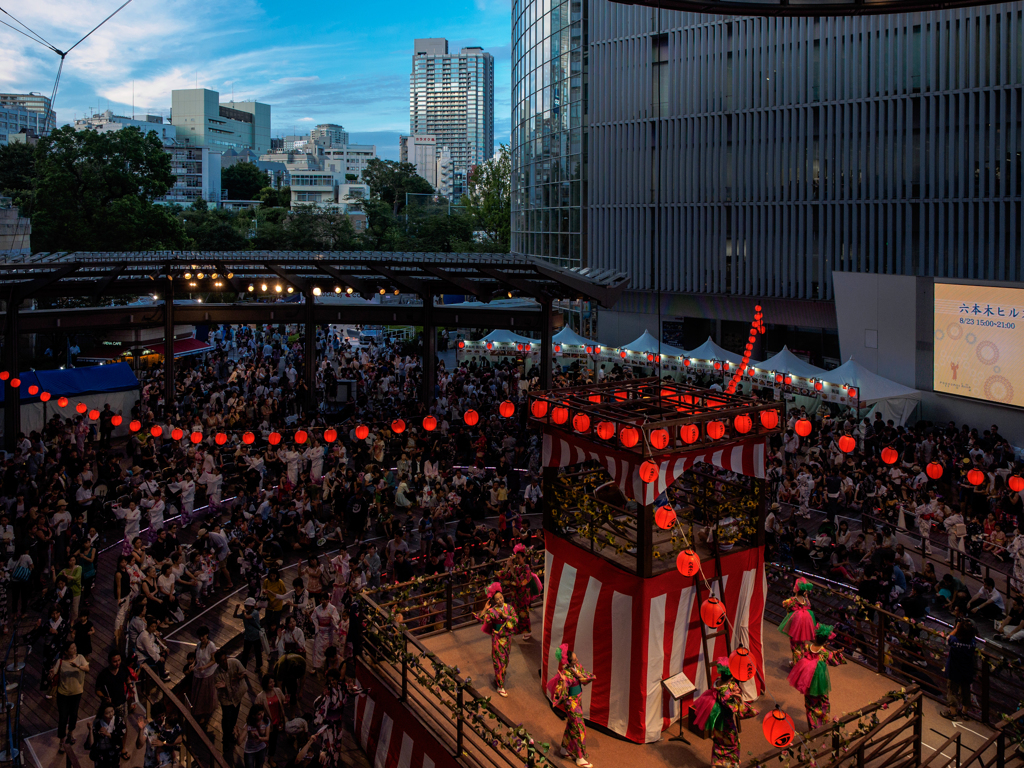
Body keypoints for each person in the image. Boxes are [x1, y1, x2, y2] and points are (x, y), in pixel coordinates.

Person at [692, 658, 758, 767]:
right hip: (727, 723)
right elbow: (740, 711)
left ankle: (715, 762)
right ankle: (731, 764)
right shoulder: (728, 693)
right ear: (732, 675)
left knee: (718, 741)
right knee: (733, 744)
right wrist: (740, 699)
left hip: (718, 720)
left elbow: (730, 688)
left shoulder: (717, 682)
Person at [787, 624, 847, 729]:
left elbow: (804, 653)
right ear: (825, 641)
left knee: (809, 704)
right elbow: (834, 660)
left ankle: (812, 726)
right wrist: (837, 653)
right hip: (819, 683)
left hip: (807, 681)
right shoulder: (824, 653)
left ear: (815, 637)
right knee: (823, 702)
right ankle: (822, 725)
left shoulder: (806, 648)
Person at [546, 643, 595, 768]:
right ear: (569, 661)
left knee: (571, 726)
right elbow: (560, 694)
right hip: (571, 704)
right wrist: (562, 682)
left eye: (576, 657)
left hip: (578, 701)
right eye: (574, 659)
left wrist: (581, 676)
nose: (577, 659)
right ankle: (580, 758)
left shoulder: (577, 667)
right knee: (579, 728)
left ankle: (564, 749)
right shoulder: (566, 674)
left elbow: (586, 676)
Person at [474, 582, 517, 697]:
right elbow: (481, 619)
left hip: (507, 638)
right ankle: (500, 686)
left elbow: (515, 620)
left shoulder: (510, 608)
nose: (500, 600)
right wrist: (485, 609)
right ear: (494, 601)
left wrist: (506, 617)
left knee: (505, 661)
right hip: (497, 639)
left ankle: (499, 677)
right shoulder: (492, 611)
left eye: (501, 598)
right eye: (497, 599)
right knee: (499, 662)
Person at [53, 641, 89, 753]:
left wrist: (78, 666)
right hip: (63, 694)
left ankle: (70, 734)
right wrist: (50, 675)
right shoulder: (60, 662)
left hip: (77, 692)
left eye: (75, 647)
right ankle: (61, 741)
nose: (75, 649)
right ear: (66, 651)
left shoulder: (80, 658)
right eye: (72, 648)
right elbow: (53, 673)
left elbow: (87, 669)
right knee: (63, 717)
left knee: (73, 714)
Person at [215, 648, 254, 752]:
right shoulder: (217, 673)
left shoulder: (234, 662)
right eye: (221, 661)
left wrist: (239, 677)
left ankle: (231, 733)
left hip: (237, 695)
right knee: (226, 718)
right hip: (226, 699)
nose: (224, 662)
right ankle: (226, 738)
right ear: (218, 662)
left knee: (234, 717)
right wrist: (226, 686)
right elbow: (220, 687)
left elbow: (244, 673)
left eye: (224, 659)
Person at [942, 619, 976, 720]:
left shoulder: (954, 641)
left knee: (952, 691)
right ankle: (965, 712)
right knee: (966, 691)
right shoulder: (973, 643)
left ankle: (952, 713)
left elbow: (948, 637)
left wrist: (956, 628)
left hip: (954, 671)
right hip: (967, 671)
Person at [498, 544, 534, 639]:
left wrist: (512, 570)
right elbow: (504, 577)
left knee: (523, 615)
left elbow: (519, 583)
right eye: (516, 558)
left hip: (523, 596)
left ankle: (528, 631)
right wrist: (507, 566)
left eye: (519, 558)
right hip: (515, 595)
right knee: (513, 614)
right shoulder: (516, 567)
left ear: (523, 558)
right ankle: (509, 631)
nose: (517, 560)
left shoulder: (526, 568)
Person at [778, 578, 817, 664]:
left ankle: (797, 663)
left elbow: (784, 604)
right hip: (804, 623)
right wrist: (806, 595)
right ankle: (797, 660)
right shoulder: (806, 600)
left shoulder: (792, 600)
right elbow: (809, 605)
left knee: (794, 644)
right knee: (801, 643)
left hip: (796, 624)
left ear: (796, 589)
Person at [191, 626, 219, 727]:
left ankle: (204, 714)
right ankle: (198, 712)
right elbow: (197, 658)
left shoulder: (211, 646)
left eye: (203, 636)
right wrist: (193, 664)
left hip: (207, 673)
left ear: (207, 635)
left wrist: (204, 667)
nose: (201, 638)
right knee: (198, 694)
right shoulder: (198, 644)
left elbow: (214, 660)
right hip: (199, 673)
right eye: (200, 636)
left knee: (205, 696)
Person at [88, 703, 128, 768]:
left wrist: (108, 734)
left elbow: (121, 733)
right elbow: (91, 744)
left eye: (112, 711)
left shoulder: (118, 720)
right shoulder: (97, 723)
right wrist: (90, 730)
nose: (111, 714)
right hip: (101, 753)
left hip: (114, 752)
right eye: (107, 713)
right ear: (102, 714)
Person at [95, 650, 131, 723]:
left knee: (123, 724)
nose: (118, 663)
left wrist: (130, 686)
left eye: (119, 660)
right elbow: (97, 690)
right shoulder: (103, 674)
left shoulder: (123, 668)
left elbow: (127, 679)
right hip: (109, 705)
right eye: (115, 661)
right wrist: (104, 697)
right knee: (106, 724)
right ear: (109, 661)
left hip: (121, 703)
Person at [310, 591, 340, 673]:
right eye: (321, 600)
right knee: (317, 649)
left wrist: (332, 618)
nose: (323, 601)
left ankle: (327, 667)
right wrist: (315, 624)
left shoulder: (333, 608)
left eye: (324, 600)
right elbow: (314, 618)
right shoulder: (317, 609)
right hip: (320, 631)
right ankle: (316, 667)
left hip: (328, 632)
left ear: (328, 600)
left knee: (327, 650)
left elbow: (336, 618)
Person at [235, 597, 264, 673]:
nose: (246, 607)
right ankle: (243, 667)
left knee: (257, 652)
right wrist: (236, 609)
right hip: (248, 637)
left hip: (256, 636)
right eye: (246, 606)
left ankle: (258, 666)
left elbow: (247, 617)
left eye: (248, 606)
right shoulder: (245, 613)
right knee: (245, 653)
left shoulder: (255, 613)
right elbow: (235, 616)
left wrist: (244, 612)